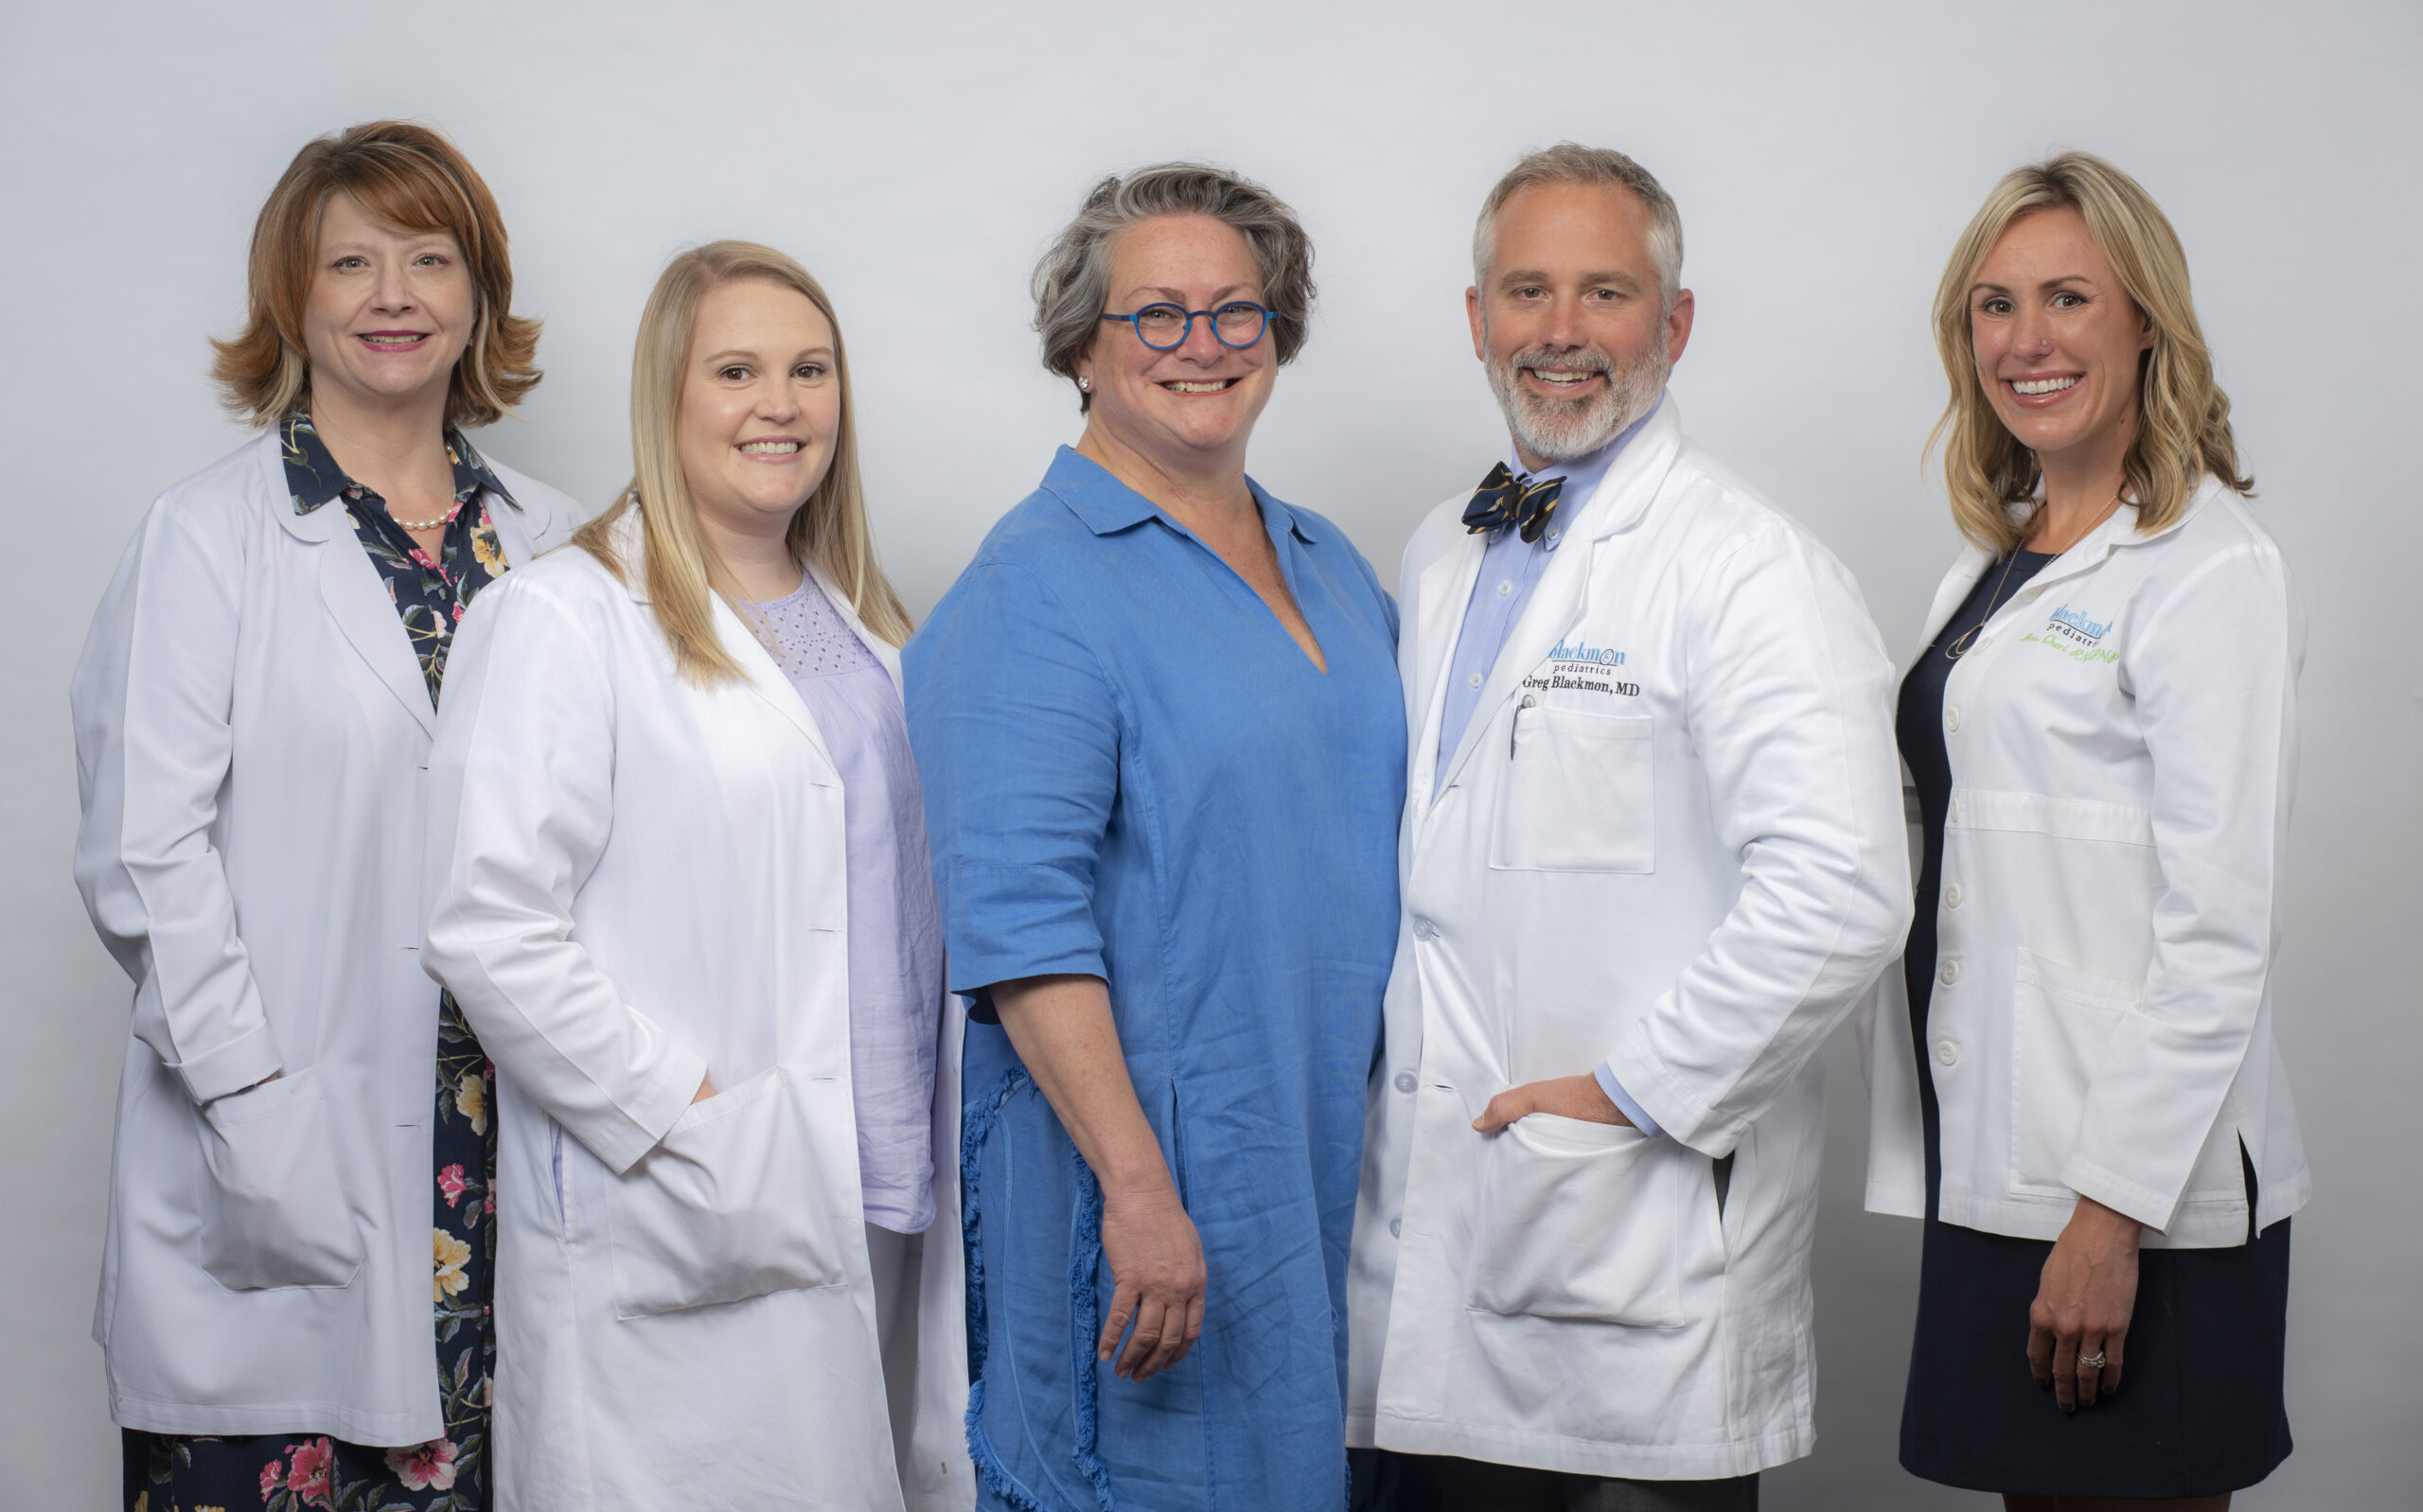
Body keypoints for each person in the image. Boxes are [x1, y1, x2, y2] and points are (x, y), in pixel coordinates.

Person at [1347, 144, 1911, 1510]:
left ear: (1676, 320)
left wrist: (1635, 1092)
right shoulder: (1440, 551)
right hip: (1433, 1228)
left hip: (1631, 1238)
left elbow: (1845, 889)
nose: (1561, 330)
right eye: (1526, 291)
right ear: (1475, 317)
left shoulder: (1752, 569)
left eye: (1605, 292)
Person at [71, 120, 579, 1510]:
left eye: (430, 259)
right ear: (291, 297)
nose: (392, 295)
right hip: (286, 1126)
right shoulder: (207, 537)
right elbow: (145, 857)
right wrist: (249, 1100)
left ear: (479, 292)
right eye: (351, 262)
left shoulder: (559, 543)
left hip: (510, 1155)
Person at [419, 241, 969, 1510]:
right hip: (696, 1188)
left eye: (810, 370)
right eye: (736, 371)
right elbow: (486, 923)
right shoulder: (565, 615)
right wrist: (688, 1112)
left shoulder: (868, 625)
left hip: (876, 1182)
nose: (781, 404)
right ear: (667, 392)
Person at [905, 164, 1406, 1512]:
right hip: (1149, 1180)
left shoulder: (1328, 562)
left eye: (1238, 311)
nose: (1205, 344)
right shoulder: (1033, 587)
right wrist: (1136, 1188)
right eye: (1158, 315)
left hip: (1319, 1159)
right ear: (1083, 347)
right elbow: (1018, 926)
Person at [1861, 152, 2306, 1511]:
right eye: (1995, 305)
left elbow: (2219, 932)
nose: (2027, 340)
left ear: (2146, 322)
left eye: (2068, 298)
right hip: (2002, 1148)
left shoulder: (2209, 569)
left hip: (2130, 1187)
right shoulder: (1994, 561)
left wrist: (2111, 1211)